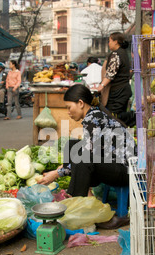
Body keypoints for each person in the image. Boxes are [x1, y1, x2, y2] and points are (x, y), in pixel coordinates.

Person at [38, 84, 135, 229]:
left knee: (83, 158)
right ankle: (86, 198)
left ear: (81, 103)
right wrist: (63, 167)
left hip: (125, 171)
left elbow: (87, 155)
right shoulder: (94, 115)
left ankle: (83, 205)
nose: (68, 112)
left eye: (69, 107)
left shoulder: (93, 118)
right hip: (112, 164)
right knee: (72, 145)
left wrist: (56, 174)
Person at [96, 32, 133, 125]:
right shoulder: (123, 53)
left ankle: (134, 117)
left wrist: (101, 85)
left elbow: (110, 73)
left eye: (109, 41)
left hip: (119, 92)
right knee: (117, 116)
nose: (108, 43)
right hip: (123, 90)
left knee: (112, 116)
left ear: (116, 42)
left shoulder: (116, 54)